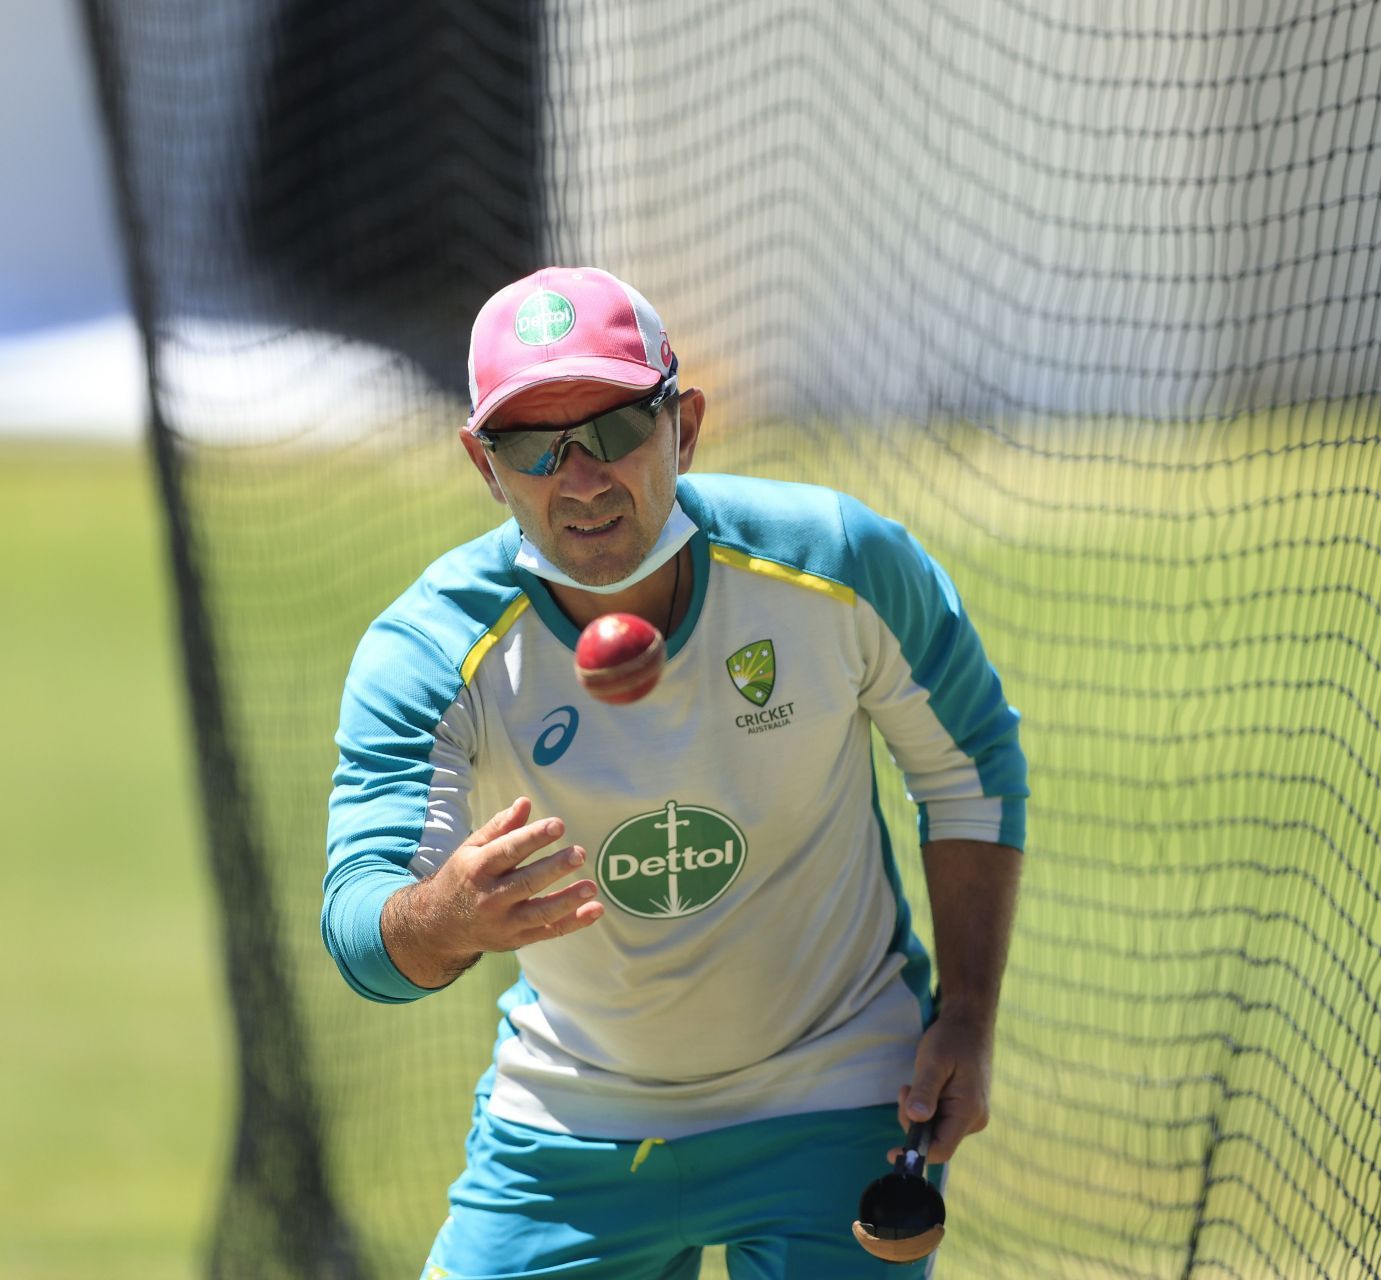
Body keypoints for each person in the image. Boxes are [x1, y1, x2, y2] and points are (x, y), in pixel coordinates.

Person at [321, 266, 1026, 1279]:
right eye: (534, 446)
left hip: (834, 1091)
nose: (582, 476)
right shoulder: (430, 652)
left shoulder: (837, 562)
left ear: (684, 426)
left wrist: (965, 1018)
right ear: (485, 464)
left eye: (614, 428)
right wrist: (450, 916)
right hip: (572, 1115)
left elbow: (974, 769)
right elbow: (361, 928)